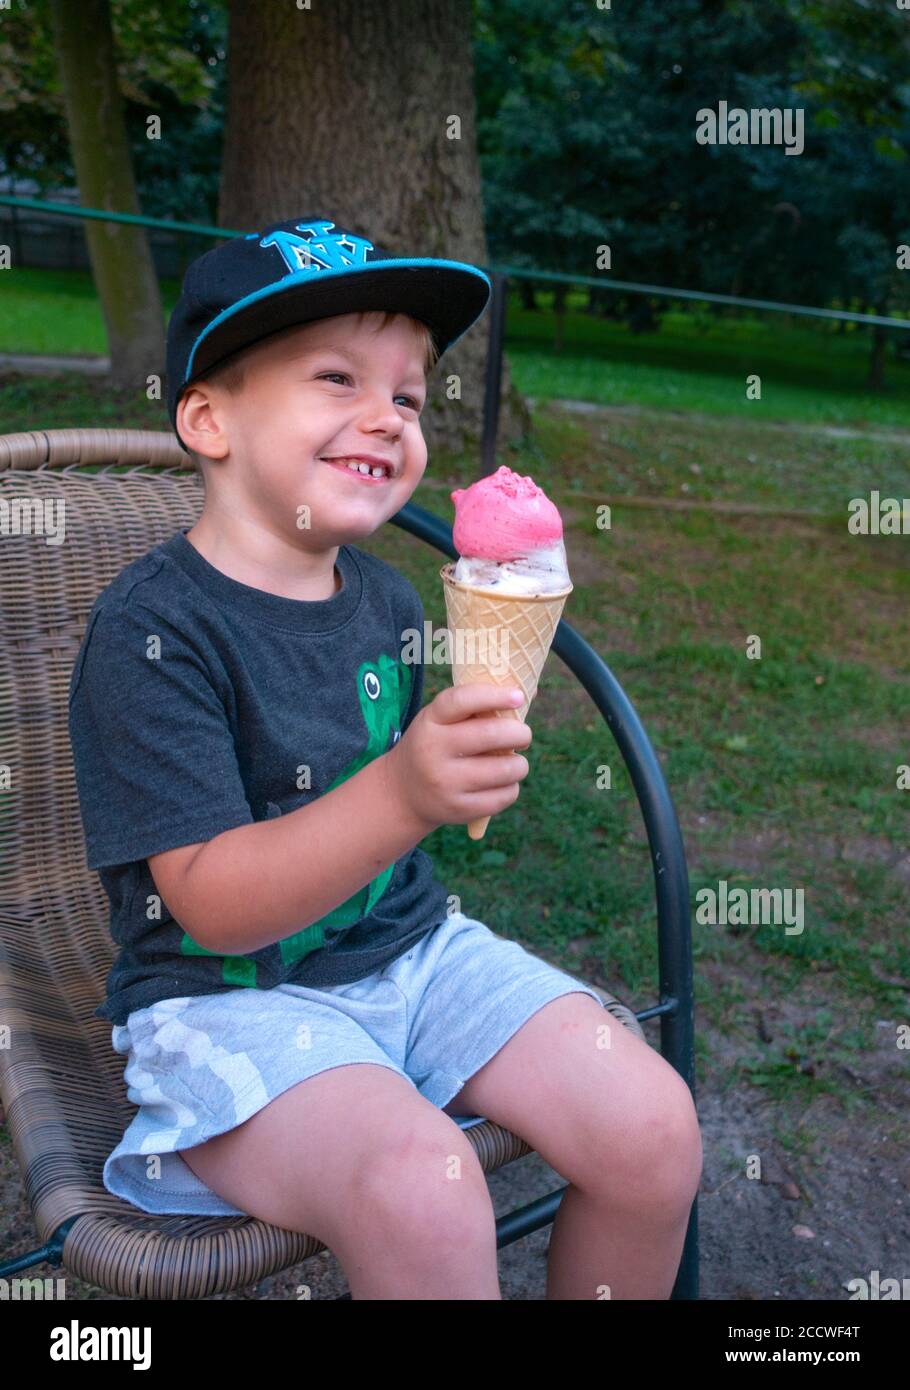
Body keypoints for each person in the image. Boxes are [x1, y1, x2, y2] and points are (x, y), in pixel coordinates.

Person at [68, 215, 701, 1300]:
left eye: (408, 395)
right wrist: (407, 789)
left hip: (409, 951)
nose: (387, 416)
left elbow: (393, 840)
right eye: (335, 377)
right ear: (209, 418)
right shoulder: (151, 634)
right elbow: (213, 906)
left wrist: (448, 768)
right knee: (423, 1183)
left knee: (652, 1124)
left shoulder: (389, 597)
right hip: (226, 1000)